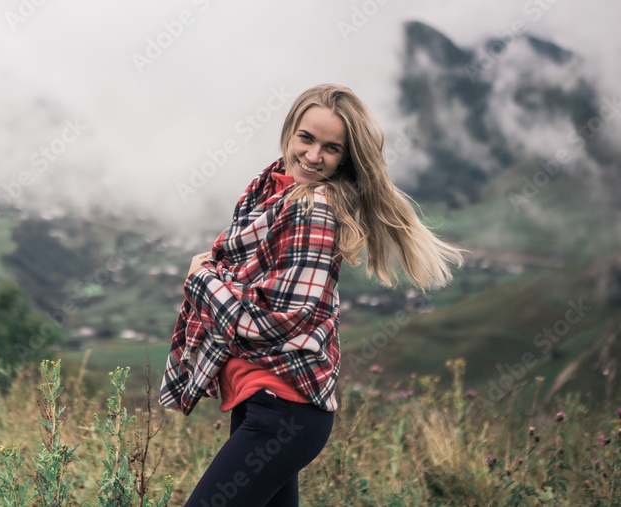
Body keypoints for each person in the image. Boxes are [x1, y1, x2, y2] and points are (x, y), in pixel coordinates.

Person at [158, 83, 466, 507]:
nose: (313, 155)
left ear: (345, 158)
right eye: (306, 138)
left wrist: (203, 277)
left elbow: (269, 323)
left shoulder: (312, 210)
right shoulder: (268, 189)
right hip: (260, 402)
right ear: (289, 131)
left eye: (331, 148)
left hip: (283, 411)